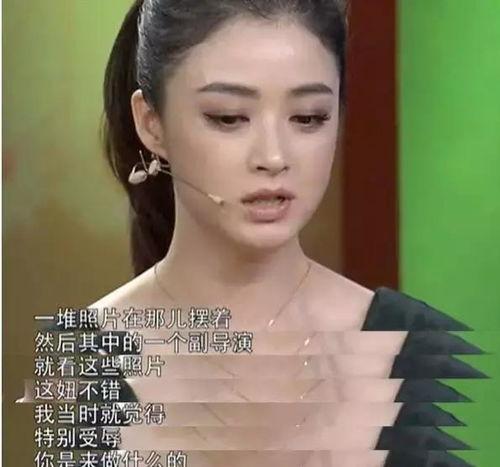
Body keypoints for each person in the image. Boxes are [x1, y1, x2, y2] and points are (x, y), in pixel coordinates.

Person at [91, 0, 484, 465]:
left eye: (308, 118)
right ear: (150, 123)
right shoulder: (88, 357)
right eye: (229, 117)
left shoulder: (408, 344)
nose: (274, 157)